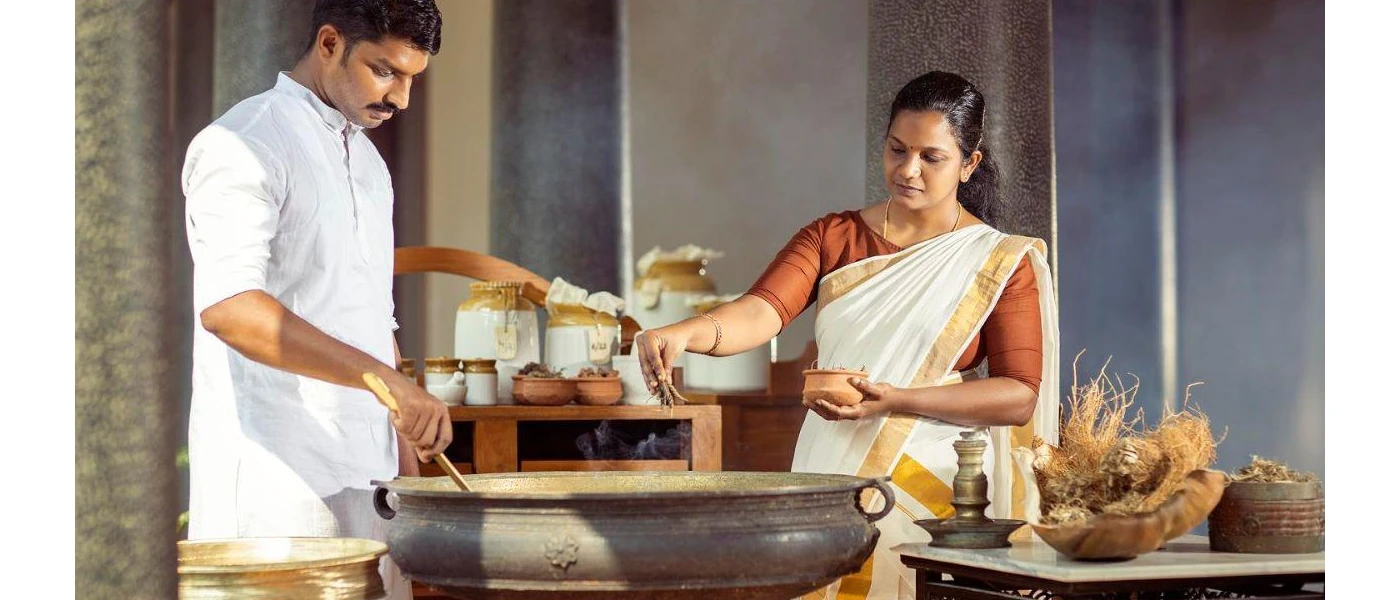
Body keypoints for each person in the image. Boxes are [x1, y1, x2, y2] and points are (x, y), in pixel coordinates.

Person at [634, 70, 1060, 599]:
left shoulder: (1000, 260)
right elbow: (760, 311)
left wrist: (895, 400)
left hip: (937, 484)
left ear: (969, 164)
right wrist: (684, 334)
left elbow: (1019, 394)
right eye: (897, 149)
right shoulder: (833, 236)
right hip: (831, 468)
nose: (908, 170)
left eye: (932, 157)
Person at [181, 2, 448, 597]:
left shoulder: (371, 164)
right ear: (330, 43)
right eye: (385, 71)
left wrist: (404, 450)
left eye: (411, 79)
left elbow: (372, 315)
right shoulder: (243, 142)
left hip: (371, 480)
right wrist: (387, 380)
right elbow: (231, 308)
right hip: (277, 483)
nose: (401, 98)